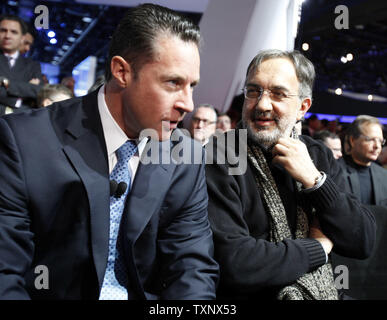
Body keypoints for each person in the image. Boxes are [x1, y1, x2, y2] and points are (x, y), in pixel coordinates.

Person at [0, 4, 218, 300]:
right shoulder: (24, 140)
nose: (188, 104)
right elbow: (6, 272)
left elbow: (192, 269)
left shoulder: (185, 157)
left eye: (192, 86)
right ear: (122, 72)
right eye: (172, 83)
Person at [205, 49, 375, 300]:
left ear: (302, 108)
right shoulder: (219, 155)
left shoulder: (318, 155)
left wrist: (316, 182)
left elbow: (363, 240)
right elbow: (237, 263)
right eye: (253, 91)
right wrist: (317, 248)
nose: (262, 104)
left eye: (278, 94)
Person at [338, 115, 387, 207]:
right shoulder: (336, 171)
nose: (377, 146)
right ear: (352, 140)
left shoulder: (384, 175)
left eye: (380, 141)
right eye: (371, 140)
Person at [0, 15, 43, 115]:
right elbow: (32, 90)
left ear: (22, 37)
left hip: (19, 123)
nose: (7, 36)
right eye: (3, 30)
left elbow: (38, 91)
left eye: (13, 32)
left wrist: (6, 82)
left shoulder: (33, 65)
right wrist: (26, 89)